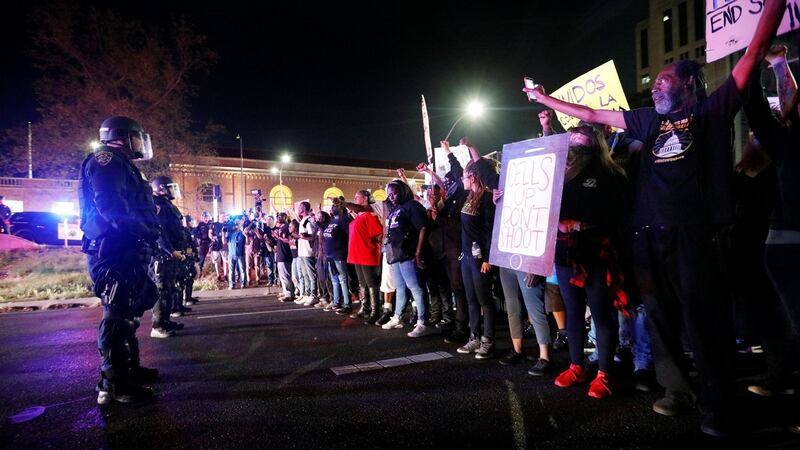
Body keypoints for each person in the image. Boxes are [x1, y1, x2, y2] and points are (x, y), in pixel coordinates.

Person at [523, 0, 786, 435]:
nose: (657, 87)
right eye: (657, 82)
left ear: (688, 85)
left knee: (705, 321)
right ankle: (676, 391)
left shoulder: (710, 113)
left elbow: (754, 53)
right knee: (659, 319)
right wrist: (542, 98)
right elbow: (589, 114)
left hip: (695, 236)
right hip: (648, 237)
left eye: (665, 81)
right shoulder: (647, 121)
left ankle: (717, 407)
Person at [78, 116, 161, 404]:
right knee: (116, 315)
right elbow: (111, 206)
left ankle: (129, 370)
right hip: (113, 250)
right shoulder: (106, 160)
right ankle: (115, 385)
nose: (140, 144)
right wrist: (144, 231)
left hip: (127, 248)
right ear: (123, 136)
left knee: (129, 313)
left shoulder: (123, 164)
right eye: (136, 138)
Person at [743, 44, 800, 433]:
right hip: (786, 245)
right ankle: (780, 376)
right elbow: (766, 115)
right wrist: (763, 66)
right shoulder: (788, 143)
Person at [380, 179, 433, 337]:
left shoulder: (412, 205)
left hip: (408, 253)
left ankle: (423, 322)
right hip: (396, 254)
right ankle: (397, 317)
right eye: (389, 194)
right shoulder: (395, 208)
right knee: (401, 287)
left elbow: (423, 227)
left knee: (415, 287)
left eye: (395, 192)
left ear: (403, 191)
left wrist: (418, 252)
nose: (392, 196)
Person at [456, 159, 497, 359]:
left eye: (464, 176)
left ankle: (488, 340)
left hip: (481, 258)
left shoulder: (487, 199)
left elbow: (490, 231)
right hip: (466, 257)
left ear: (472, 177)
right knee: (471, 299)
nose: (461, 179)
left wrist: (488, 258)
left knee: (484, 300)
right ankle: (474, 337)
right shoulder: (469, 196)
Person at [150, 176, 188, 335]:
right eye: (170, 187)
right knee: (162, 290)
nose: (173, 190)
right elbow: (158, 231)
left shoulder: (167, 204)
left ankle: (165, 321)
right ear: (161, 188)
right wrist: (170, 250)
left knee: (170, 289)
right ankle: (157, 326)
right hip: (163, 255)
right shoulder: (157, 204)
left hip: (171, 254)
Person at [343, 190, 384, 323]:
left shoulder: (369, 214)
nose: (355, 199)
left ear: (365, 198)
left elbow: (378, 234)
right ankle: (364, 308)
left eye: (357, 197)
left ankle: (375, 311)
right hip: (357, 254)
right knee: (362, 283)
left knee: (371, 282)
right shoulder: (360, 215)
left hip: (367, 253)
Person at [295, 202, 319, 305]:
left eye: (299, 207)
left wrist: (301, 236)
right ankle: (307, 294)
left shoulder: (308, 221)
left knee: (311, 275)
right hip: (302, 252)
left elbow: (312, 236)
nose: (298, 208)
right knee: (305, 275)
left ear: (304, 208)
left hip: (308, 252)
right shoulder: (303, 221)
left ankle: (313, 295)